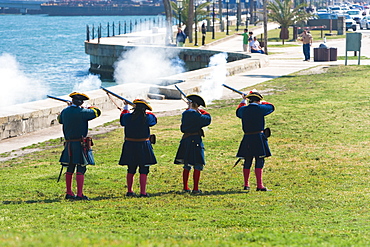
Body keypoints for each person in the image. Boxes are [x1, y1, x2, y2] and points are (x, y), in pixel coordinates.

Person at [58, 92, 101, 200]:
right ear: (81, 102)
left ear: (72, 101)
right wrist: (87, 107)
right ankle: (80, 194)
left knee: (70, 167)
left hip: (69, 144)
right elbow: (97, 112)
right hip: (80, 143)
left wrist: (69, 108)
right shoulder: (83, 111)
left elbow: (60, 119)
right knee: (81, 167)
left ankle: (69, 192)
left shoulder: (65, 111)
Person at [236, 90, 274, 191]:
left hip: (247, 137)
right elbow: (271, 106)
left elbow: (238, 111)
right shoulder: (261, 108)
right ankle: (259, 185)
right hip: (258, 137)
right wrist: (262, 101)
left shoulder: (244, 109)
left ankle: (246, 184)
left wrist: (243, 100)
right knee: (259, 160)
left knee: (247, 160)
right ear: (259, 100)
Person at [119, 99, 157, 197]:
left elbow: (122, 119)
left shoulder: (127, 116)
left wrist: (125, 108)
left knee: (131, 168)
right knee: (144, 169)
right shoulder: (148, 117)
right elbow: (154, 119)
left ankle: (129, 191)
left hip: (130, 145)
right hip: (143, 145)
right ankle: (143, 192)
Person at [174, 95, 211, 194]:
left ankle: (186, 187)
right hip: (195, 140)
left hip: (186, 140)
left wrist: (195, 109)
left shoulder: (186, 113)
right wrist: (199, 110)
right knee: (197, 164)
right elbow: (208, 118)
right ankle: (195, 188)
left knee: (187, 164)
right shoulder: (195, 114)